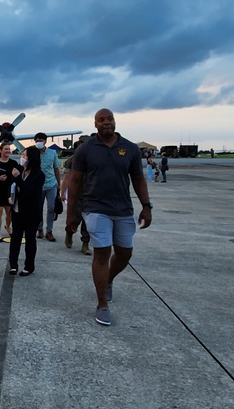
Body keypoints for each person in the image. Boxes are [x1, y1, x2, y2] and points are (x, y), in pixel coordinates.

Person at [66, 108, 153, 327]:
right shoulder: (85, 150)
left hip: (123, 209)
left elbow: (139, 179)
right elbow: (75, 182)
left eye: (110, 119)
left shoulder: (130, 148)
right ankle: (102, 303)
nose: (107, 122)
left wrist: (146, 206)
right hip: (95, 207)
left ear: (115, 122)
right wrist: (71, 215)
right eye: (102, 120)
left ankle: (109, 280)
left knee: (125, 253)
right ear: (95, 124)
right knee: (102, 251)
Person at [8, 146, 46, 277]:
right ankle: (13, 265)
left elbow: (31, 192)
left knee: (30, 240)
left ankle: (29, 266)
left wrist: (18, 179)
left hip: (31, 212)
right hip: (17, 210)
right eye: (22, 155)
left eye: (25, 156)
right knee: (15, 239)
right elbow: (12, 185)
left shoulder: (39, 175)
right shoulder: (19, 170)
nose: (22, 158)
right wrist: (10, 195)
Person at [61, 138, 91, 255]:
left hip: (91, 194)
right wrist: (63, 193)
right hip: (76, 194)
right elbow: (67, 178)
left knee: (88, 221)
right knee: (75, 218)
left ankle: (85, 243)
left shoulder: (94, 159)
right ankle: (69, 232)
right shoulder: (72, 160)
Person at [33, 132, 62, 242]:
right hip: (37, 185)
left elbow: (56, 169)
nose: (39, 142)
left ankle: (49, 231)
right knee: (38, 208)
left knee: (51, 207)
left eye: (41, 140)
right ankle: (39, 229)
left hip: (51, 184)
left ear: (45, 141)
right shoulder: (32, 153)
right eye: (37, 140)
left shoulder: (52, 153)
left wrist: (59, 185)